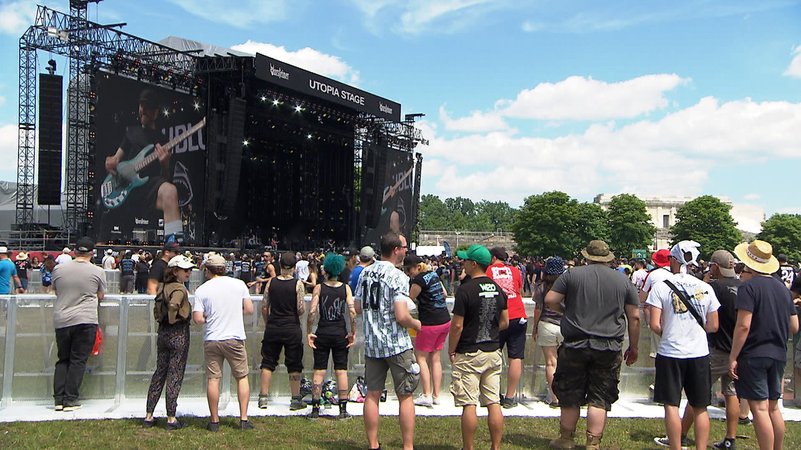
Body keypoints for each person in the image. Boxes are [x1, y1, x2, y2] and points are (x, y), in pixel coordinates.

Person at [545, 240, 640, 450]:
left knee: (570, 392)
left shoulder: (572, 275)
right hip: (609, 347)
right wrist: (633, 347)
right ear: (608, 258)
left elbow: (550, 299)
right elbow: (634, 317)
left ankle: (566, 439)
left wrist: (565, 311)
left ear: (587, 256)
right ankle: (593, 443)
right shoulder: (623, 280)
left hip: (575, 344)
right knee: (600, 395)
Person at [647, 241, 720, 450]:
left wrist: (670, 331)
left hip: (670, 351)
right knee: (700, 406)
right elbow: (714, 325)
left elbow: (654, 324)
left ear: (673, 260)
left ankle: (675, 446)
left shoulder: (661, 286)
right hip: (698, 352)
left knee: (671, 404)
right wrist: (695, 332)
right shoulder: (706, 288)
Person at [729, 240, 799, 450]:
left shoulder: (748, 288)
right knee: (773, 408)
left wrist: (733, 356)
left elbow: (743, 325)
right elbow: (794, 326)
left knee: (758, 409)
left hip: (753, 353)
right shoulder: (783, 290)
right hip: (778, 352)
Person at [354, 231, 421, 450]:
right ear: (395, 250)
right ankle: (408, 446)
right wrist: (416, 324)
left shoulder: (364, 274)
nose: (405, 251)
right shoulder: (398, 276)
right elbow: (401, 315)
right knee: (405, 395)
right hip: (396, 343)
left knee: (372, 395)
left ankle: (373, 444)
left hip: (373, 345)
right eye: (403, 248)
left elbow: (356, 307)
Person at [449, 244, 509, 450]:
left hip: (469, 351)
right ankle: (496, 446)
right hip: (492, 351)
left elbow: (457, 325)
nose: (463, 263)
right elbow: (505, 321)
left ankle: (469, 447)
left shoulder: (465, 290)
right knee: (493, 402)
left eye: (465, 260)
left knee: (469, 403)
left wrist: (451, 349)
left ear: (474, 264)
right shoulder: (497, 288)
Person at [104, 89, 183, 243]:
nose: (144, 111)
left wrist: (165, 165)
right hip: (126, 187)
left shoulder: (163, 140)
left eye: (148, 108)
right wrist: (110, 162)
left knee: (170, 191)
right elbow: (115, 159)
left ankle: (174, 244)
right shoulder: (130, 132)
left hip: (149, 187)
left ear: (156, 112)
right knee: (105, 210)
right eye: (142, 107)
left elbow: (165, 177)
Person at [192, 254, 255, 431]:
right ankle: (243, 419)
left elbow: (197, 319)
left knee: (213, 379)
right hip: (234, 337)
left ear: (207, 270)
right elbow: (249, 309)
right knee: (242, 377)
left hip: (212, 337)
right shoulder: (238, 284)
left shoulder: (202, 290)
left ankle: (214, 421)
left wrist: (208, 317)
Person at [51, 237, 106, 411]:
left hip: (62, 319)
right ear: (92, 253)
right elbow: (101, 295)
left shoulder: (59, 269)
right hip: (85, 319)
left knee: (63, 360)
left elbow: (56, 290)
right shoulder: (97, 271)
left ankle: (58, 399)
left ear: (75, 252)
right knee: (78, 360)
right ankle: (70, 399)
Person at [144, 254, 195, 430]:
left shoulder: (162, 287)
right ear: (175, 271)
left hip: (163, 333)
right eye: (185, 270)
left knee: (159, 373)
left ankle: (149, 415)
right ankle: (171, 417)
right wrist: (174, 318)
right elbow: (174, 305)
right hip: (178, 333)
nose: (188, 272)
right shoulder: (180, 289)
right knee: (175, 375)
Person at [307, 253, 357, 419]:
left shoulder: (319, 288)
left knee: (319, 370)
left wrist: (309, 331)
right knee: (341, 371)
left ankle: (315, 409)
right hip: (340, 332)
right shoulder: (346, 288)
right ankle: (343, 410)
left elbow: (312, 311)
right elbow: (351, 311)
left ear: (326, 270)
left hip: (322, 331)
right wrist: (353, 332)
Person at [258, 252, 307, 411]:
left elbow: (264, 306)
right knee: (294, 363)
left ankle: (263, 397)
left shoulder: (271, 283)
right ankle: (295, 398)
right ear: (294, 267)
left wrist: (268, 322)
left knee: (268, 361)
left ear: (280, 265)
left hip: (273, 326)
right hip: (291, 327)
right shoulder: (298, 284)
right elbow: (301, 309)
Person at [403, 254, 450, 408]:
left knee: (421, 357)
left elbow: (409, 299)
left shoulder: (418, 280)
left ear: (416, 267)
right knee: (435, 357)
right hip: (444, 320)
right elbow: (444, 293)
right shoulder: (433, 274)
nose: (409, 273)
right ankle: (436, 395)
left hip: (429, 322)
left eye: (409, 270)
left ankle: (426, 394)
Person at [486, 246, 525, 408]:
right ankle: (510, 396)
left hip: (499, 316)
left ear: (493, 258)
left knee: (492, 354)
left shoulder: (488, 271)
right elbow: (519, 289)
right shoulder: (515, 270)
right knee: (515, 357)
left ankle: (492, 394)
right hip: (518, 314)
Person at [532, 257, 566, 407]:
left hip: (547, 324)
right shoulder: (568, 287)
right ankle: (566, 395)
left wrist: (535, 327)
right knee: (566, 363)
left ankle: (554, 398)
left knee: (551, 363)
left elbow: (538, 309)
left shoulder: (541, 287)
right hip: (565, 325)